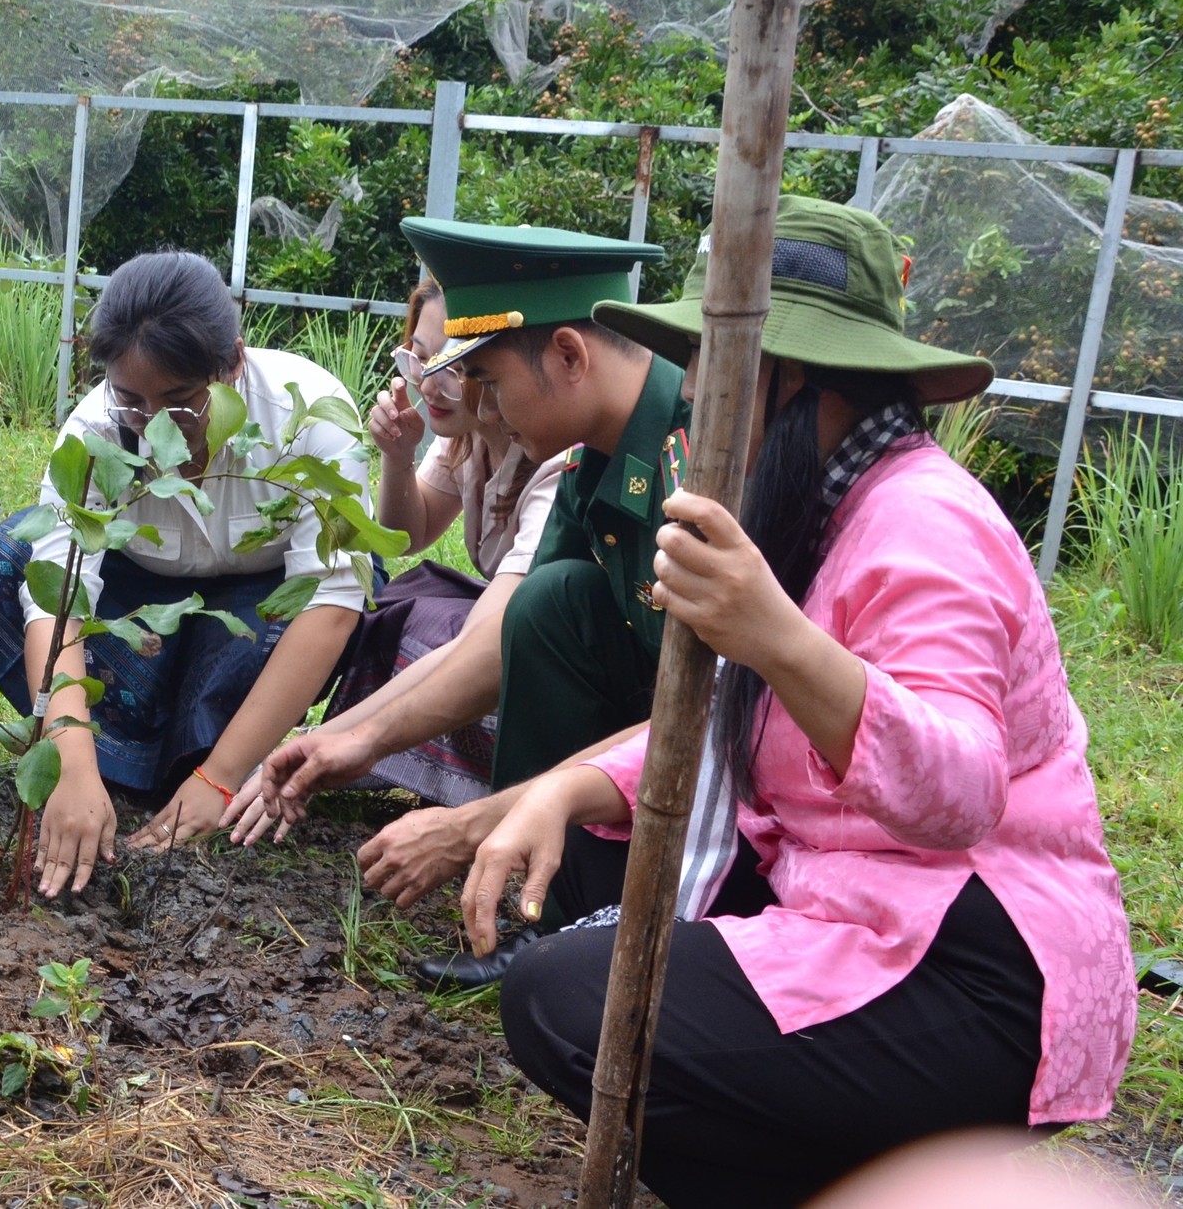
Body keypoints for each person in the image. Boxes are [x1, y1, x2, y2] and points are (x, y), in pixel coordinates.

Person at [463, 195, 1135, 1208]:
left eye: (714, 378)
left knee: (566, 999)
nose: (688, 406)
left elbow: (956, 788)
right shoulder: (816, 506)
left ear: (789, 380)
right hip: (850, 904)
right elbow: (737, 723)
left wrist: (775, 633)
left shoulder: (920, 522)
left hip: (967, 963)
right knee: (591, 916)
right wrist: (564, 788)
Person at [250, 216, 676, 990]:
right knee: (551, 604)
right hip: (643, 744)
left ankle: (630, 919)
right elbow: (507, 636)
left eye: (492, 382)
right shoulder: (595, 457)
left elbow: (717, 721)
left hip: (736, 778)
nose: (485, 406)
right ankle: (554, 916)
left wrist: (473, 821)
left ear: (569, 357)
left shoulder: (695, 455)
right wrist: (360, 740)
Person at [0, 250, 373, 898]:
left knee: (281, 621)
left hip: (251, 607)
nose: (155, 424)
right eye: (131, 399)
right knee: (10, 559)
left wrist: (219, 780)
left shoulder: (310, 417)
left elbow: (330, 599)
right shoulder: (95, 432)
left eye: (183, 401)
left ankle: (199, 759)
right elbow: (59, 594)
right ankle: (116, 764)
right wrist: (70, 760)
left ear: (233, 364)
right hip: (138, 600)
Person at [318, 273, 571, 806]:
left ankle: (481, 783)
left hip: (538, 651)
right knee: (404, 598)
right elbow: (407, 536)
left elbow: (487, 642)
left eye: (453, 368)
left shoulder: (558, 459)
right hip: (508, 618)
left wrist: (331, 744)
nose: (428, 384)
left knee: (440, 631)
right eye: (418, 358)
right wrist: (397, 456)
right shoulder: (470, 436)